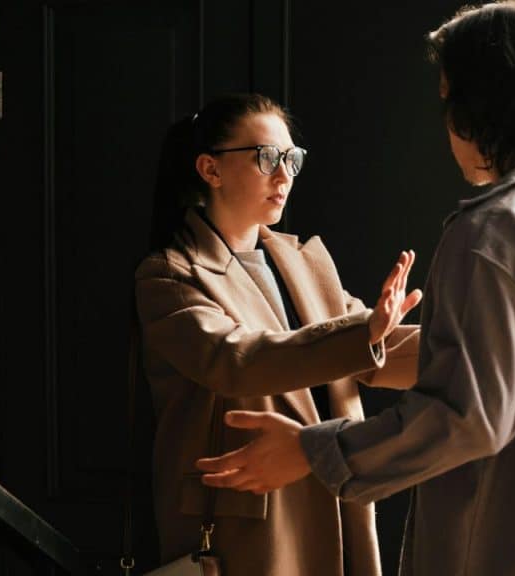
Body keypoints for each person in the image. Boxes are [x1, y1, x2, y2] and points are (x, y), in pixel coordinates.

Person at [197, 3, 515, 575]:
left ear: (477, 105)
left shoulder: (496, 234)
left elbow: (465, 416)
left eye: (446, 99)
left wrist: (312, 451)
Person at [135, 93, 422, 576]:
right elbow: (237, 361)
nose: (284, 173)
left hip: (336, 497)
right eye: (267, 157)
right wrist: (366, 334)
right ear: (210, 169)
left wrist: (477, 343)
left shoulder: (302, 261)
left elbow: (373, 347)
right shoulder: (169, 275)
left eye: (292, 158)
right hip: (251, 526)